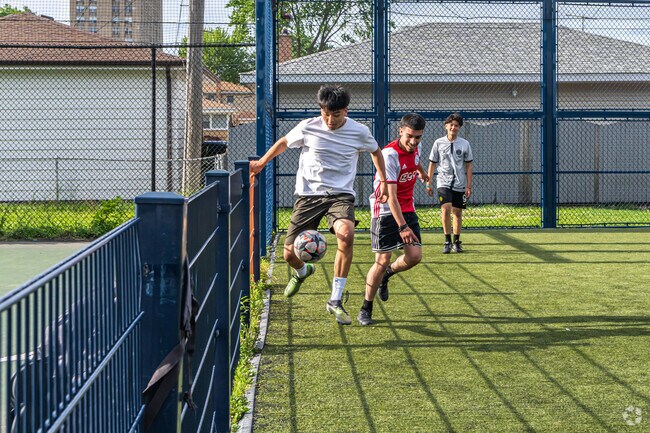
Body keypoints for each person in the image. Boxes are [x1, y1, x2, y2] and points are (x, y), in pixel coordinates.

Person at [250, 84, 388, 325]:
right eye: (326, 113)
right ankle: (303, 271)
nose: (330, 119)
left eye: (336, 114)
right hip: (308, 195)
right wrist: (262, 162)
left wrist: (384, 180)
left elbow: (376, 151)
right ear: (321, 109)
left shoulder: (359, 131)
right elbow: (284, 142)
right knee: (289, 254)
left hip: (340, 194)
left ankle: (335, 299)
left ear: (346, 110)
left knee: (346, 235)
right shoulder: (308, 126)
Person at [357, 113, 429, 326]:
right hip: (386, 210)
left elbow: (415, 161)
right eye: (409, 136)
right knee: (381, 260)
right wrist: (403, 227)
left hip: (407, 208)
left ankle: (387, 275)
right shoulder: (389, 155)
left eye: (418, 137)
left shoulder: (416, 147)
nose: (413, 142)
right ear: (400, 131)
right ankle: (366, 308)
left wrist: (423, 173)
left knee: (414, 256)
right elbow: (392, 197)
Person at [426, 112, 473, 253]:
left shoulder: (465, 144)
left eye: (456, 125)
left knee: (457, 212)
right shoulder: (438, 143)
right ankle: (447, 241)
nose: (453, 127)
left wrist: (468, 186)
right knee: (446, 209)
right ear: (446, 126)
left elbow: (469, 165)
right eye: (451, 125)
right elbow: (432, 163)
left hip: (459, 183)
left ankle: (456, 242)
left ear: (459, 128)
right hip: (443, 182)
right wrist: (428, 183)